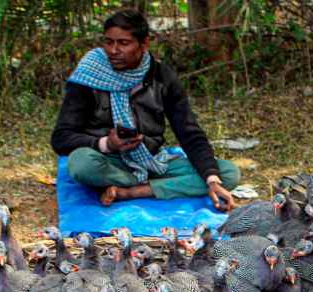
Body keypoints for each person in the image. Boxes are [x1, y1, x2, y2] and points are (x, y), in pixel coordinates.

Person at [51, 10, 240, 211]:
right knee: (81, 164)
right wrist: (108, 144)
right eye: (108, 42)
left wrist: (211, 180)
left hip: (152, 161)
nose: (113, 50)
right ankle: (138, 182)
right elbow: (61, 139)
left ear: (144, 44)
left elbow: (189, 132)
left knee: (227, 173)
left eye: (123, 43)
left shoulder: (162, 77)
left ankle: (133, 191)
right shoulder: (89, 75)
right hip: (108, 162)